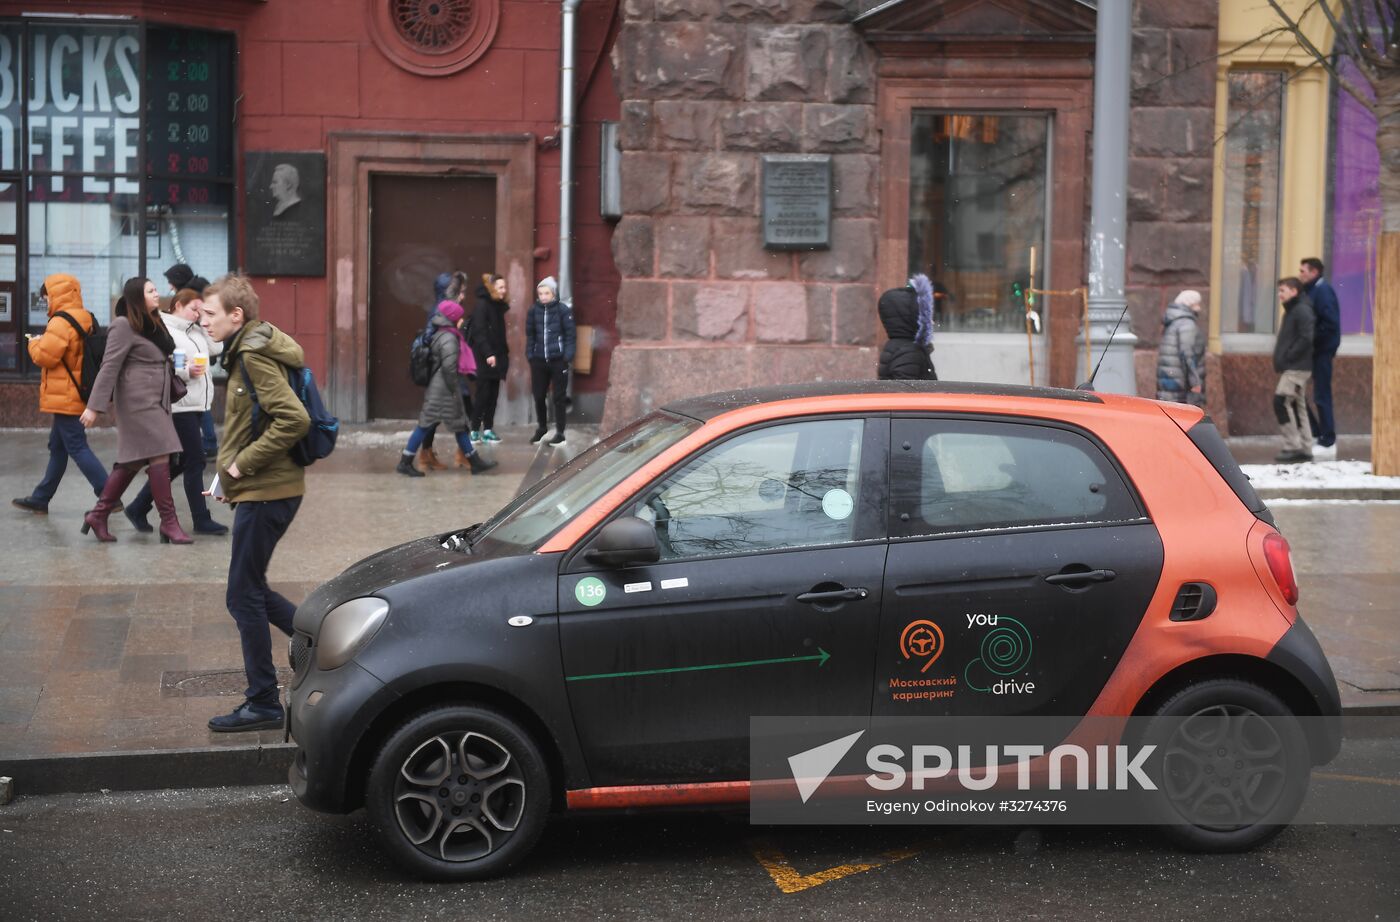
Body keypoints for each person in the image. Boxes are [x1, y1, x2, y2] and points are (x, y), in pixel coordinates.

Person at [198, 274, 310, 731]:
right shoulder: (248, 348)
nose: (203, 321)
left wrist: (240, 468)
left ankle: (263, 702)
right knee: (252, 589)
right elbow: (252, 423)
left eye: (210, 314)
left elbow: (293, 419)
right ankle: (325, 643)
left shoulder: (251, 354)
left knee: (242, 594)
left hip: (270, 492)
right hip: (267, 490)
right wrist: (227, 478)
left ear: (236, 315)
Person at [79, 278, 192, 544]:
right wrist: (94, 407)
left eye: (155, 290)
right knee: (161, 453)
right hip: (137, 402)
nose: (157, 294)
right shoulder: (123, 325)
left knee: (133, 460)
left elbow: (162, 355)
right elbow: (109, 366)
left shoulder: (153, 322)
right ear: (137, 297)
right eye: (151, 291)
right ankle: (169, 523)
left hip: (157, 400)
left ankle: (98, 514)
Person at [122, 288, 227, 536]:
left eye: (201, 309)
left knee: (177, 463)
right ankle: (201, 519)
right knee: (196, 461)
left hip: (198, 404)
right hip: (180, 406)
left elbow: (216, 349)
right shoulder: (165, 330)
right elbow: (165, 366)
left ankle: (138, 506)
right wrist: (185, 372)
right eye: (194, 308)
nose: (197, 313)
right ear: (178, 305)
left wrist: (204, 320)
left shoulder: (195, 330)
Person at [11, 274, 116, 515]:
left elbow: (45, 356)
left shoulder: (60, 322)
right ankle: (41, 498)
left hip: (65, 394)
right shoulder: (86, 316)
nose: (45, 302)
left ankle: (109, 494)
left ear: (56, 295)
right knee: (57, 447)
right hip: (79, 390)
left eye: (46, 297)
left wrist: (33, 343)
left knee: (77, 447)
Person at [396, 300, 498, 477]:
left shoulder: (442, 334)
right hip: (443, 389)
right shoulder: (449, 338)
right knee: (427, 424)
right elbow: (449, 367)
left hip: (439, 387)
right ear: (452, 318)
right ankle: (405, 462)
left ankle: (474, 461)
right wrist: (453, 389)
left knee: (458, 424)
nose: (462, 320)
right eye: (459, 317)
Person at [418, 271, 472, 471]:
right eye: (460, 291)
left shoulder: (443, 309)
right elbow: (430, 338)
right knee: (462, 408)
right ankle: (463, 454)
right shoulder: (440, 311)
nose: (463, 296)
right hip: (445, 370)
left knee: (437, 414)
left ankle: (427, 453)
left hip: (447, 368)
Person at [525, 276, 576, 446]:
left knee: (559, 397)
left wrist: (567, 356)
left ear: (553, 293)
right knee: (539, 395)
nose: (543, 296)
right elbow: (530, 334)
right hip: (539, 360)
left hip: (558, 360)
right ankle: (542, 427)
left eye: (547, 293)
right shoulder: (533, 311)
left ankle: (560, 432)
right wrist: (530, 355)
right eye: (540, 293)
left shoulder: (563, 310)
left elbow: (570, 335)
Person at [1299, 257, 1341, 454]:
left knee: (1321, 394)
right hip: (1315, 351)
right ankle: (1317, 433)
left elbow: (1330, 323)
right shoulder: (1312, 290)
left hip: (1321, 351)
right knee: (1301, 393)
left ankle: (1327, 439)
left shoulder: (1322, 290)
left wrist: (1313, 341)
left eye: (1303, 271)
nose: (1301, 275)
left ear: (1314, 272)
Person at [1273, 277, 1316, 464]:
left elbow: (1306, 338)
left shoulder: (1301, 310)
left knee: (1281, 402)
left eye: (1283, 290)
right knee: (1299, 407)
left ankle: (1293, 446)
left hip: (1297, 367)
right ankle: (1305, 448)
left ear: (1294, 291)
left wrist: (1288, 356)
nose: (1280, 294)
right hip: (1295, 366)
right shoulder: (1293, 310)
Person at [468, 273, 510, 445]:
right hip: (484, 358)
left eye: (504, 287)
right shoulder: (482, 306)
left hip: (497, 357)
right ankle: (474, 430)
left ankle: (487, 430)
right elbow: (479, 332)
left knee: (493, 395)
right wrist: (488, 354)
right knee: (482, 395)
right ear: (492, 288)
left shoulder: (497, 306)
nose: (504, 290)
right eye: (500, 287)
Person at [877, 274, 937, 380]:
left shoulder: (900, 346)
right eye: (926, 316)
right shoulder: (910, 352)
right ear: (916, 318)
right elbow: (904, 392)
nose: (932, 322)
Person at [1155, 290, 1205, 405]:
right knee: (1185, 420)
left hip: (1170, 382)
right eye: (1197, 304)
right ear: (1189, 304)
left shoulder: (1173, 322)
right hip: (1181, 387)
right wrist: (1195, 383)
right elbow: (1187, 355)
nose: (1199, 308)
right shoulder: (1186, 324)